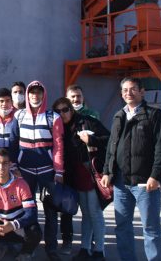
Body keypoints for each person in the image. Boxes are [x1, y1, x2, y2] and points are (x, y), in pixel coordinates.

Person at [101, 77, 161, 261]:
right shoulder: (118, 115)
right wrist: (107, 171)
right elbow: (111, 146)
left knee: (150, 227)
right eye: (124, 90)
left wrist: (155, 175)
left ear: (142, 92)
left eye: (132, 89)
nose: (128, 93)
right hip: (121, 183)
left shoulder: (154, 115)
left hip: (145, 182)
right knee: (122, 226)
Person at [52, 97, 109, 261]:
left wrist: (90, 140)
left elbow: (109, 139)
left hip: (91, 173)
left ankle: (99, 251)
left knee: (95, 213)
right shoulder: (59, 128)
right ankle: (85, 248)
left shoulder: (87, 122)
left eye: (65, 109)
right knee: (85, 214)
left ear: (71, 109)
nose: (62, 114)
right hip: (76, 176)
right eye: (58, 111)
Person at [16, 80, 64, 260]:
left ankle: (51, 249)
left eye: (38, 92)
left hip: (47, 171)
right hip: (25, 171)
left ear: (44, 95)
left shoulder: (54, 117)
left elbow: (59, 146)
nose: (35, 96)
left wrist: (59, 171)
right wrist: (15, 166)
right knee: (29, 211)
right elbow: (14, 143)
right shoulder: (19, 116)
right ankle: (30, 246)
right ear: (27, 95)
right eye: (32, 92)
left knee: (51, 212)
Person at [60, 84, 100, 255]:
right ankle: (68, 240)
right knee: (66, 207)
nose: (76, 99)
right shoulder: (61, 116)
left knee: (91, 211)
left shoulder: (91, 116)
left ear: (83, 98)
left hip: (85, 168)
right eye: (72, 97)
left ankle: (92, 245)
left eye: (78, 96)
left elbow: (98, 140)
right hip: (68, 168)